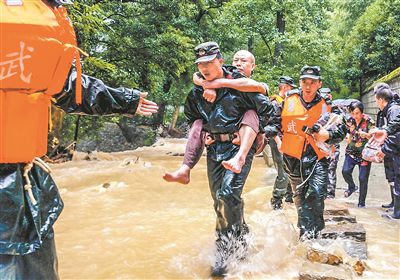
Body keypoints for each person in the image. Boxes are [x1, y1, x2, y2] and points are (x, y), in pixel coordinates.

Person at [0, 1, 158, 279]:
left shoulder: (31, 24)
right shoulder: (34, 23)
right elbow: (71, 87)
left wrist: (127, 100)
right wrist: (126, 100)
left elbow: (69, 85)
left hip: (20, 179)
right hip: (17, 178)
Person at [184, 42, 279, 276]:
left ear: (219, 60)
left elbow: (269, 111)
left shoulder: (243, 87)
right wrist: (204, 132)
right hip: (214, 150)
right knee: (219, 201)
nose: (204, 68)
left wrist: (258, 134)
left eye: (209, 62)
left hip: (239, 151)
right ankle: (241, 237)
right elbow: (192, 116)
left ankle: (225, 253)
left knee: (227, 194)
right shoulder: (198, 89)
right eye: (201, 64)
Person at [163, 49, 269, 184]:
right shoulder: (206, 81)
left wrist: (260, 132)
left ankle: (240, 157)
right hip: (215, 143)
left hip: (244, 141)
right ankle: (185, 169)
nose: (238, 64)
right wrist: (206, 85)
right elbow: (197, 78)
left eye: (243, 61)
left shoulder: (253, 87)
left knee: (251, 114)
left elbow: (260, 94)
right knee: (198, 123)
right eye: (236, 60)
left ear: (253, 66)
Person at [280, 65, 346, 238]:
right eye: (304, 82)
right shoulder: (287, 100)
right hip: (293, 158)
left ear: (319, 84)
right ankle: (309, 232)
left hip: (317, 157)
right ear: (300, 82)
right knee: (300, 198)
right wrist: (276, 138)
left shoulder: (330, 105)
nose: (308, 86)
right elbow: (272, 123)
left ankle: (308, 235)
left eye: (312, 82)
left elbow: (342, 130)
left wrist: (328, 135)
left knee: (316, 193)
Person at [269, 76, 296, 209]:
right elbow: (272, 126)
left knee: (290, 168)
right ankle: (276, 201)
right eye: (290, 88)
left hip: (288, 140)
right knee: (283, 172)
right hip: (278, 141)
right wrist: (279, 142)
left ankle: (290, 197)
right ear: (285, 88)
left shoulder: (287, 102)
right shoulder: (275, 103)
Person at [342, 101, 375, 207]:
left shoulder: (369, 121)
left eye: (357, 113)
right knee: (345, 171)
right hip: (351, 152)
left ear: (362, 112)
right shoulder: (349, 120)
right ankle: (351, 186)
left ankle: (361, 203)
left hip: (365, 154)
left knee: (363, 178)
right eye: (353, 113)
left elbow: (375, 136)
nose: (355, 116)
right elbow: (346, 133)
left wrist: (367, 135)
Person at [374, 83, 400, 209]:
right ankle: (394, 204)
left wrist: (385, 149)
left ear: (381, 98)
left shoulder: (394, 110)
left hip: (394, 149)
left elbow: (395, 134)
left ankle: (397, 210)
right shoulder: (384, 111)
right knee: (391, 175)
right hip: (390, 149)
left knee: (397, 176)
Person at [320, 88, 341, 199]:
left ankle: (330, 195)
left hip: (332, 144)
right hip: (319, 144)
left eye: (327, 96)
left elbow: (339, 131)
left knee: (331, 169)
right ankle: (322, 194)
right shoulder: (317, 108)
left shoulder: (336, 110)